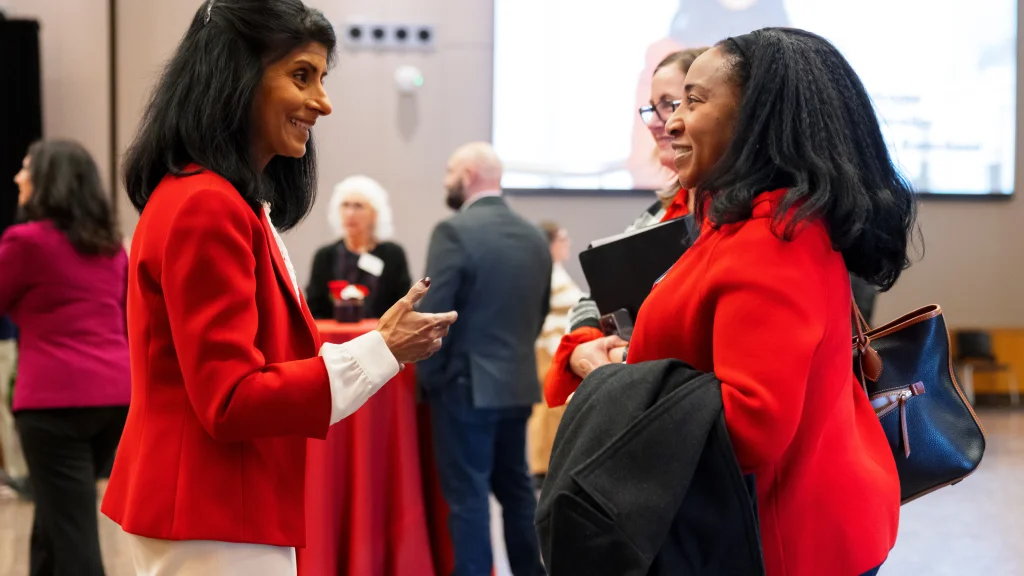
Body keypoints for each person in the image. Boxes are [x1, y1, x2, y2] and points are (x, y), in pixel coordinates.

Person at [100, 2, 457, 575]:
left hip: (212, 508)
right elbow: (231, 398)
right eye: (301, 75)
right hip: (213, 511)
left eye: (321, 77)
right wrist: (378, 349)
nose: (323, 101)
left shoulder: (216, 199)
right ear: (236, 76)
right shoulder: (207, 205)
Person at [580, 29, 916, 575]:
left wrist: (625, 390)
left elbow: (750, 425)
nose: (672, 121)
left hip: (779, 545)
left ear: (756, 118)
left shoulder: (772, 240)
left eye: (693, 100)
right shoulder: (753, 224)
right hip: (791, 525)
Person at [543, 48, 706, 407]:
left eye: (670, 103)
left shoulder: (729, 220)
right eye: (652, 107)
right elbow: (593, 298)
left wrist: (619, 356)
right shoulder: (655, 215)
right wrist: (585, 345)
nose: (655, 121)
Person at [417, 142, 551, 576]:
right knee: (517, 494)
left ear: (471, 174)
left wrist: (429, 381)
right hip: (517, 385)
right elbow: (538, 312)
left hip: (464, 387)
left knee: (468, 498)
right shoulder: (535, 236)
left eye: (451, 170)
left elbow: (434, 316)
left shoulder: (453, 232)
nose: (445, 180)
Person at [0, 140, 131, 576]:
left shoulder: (26, 242)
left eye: (25, 169)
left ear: (47, 180)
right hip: (114, 399)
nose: (18, 178)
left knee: (72, 529)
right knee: (55, 515)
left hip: (53, 404)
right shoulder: (111, 249)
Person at [306, 175, 411, 319]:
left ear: (375, 214)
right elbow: (314, 309)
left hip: (381, 337)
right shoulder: (325, 256)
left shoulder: (393, 255)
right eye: (345, 205)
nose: (350, 213)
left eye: (358, 206)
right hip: (335, 338)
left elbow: (403, 305)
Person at [527, 222, 582, 488]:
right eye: (563, 238)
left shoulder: (552, 271)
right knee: (550, 406)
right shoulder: (546, 272)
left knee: (552, 407)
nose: (567, 242)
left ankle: (547, 464)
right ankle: (544, 466)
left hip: (553, 347)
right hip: (548, 349)